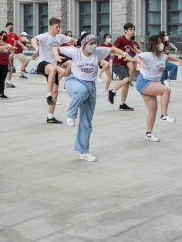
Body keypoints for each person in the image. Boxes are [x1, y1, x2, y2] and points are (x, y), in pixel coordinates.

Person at [55, 33, 131, 162]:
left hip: (91, 86)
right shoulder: (75, 51)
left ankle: (84, 151)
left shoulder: (98, 52)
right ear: (84, 44)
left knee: (87, 121)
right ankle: (71, 113)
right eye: (91, 43)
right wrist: (56, 55)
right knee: (81, 91)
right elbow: (56, 47)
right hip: (75, 82)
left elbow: (112, 49)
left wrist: (124, 54)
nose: (94, 45)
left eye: (95, 42)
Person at [130, 35, 182, 142]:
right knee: (166, 90)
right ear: (154, 44)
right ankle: (164, 116)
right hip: (144, 81)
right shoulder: (148, 55)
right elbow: (136, 57)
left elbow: (168, 57)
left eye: (162, 42)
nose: (162, 44)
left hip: (151, 83)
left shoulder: (161, 55)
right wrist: (141, 63)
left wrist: (179, 60)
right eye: (160, 42)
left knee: (152, 110)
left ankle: (148, 134)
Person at [30, 18, 77, 124]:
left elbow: (73, 40)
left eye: (59, 27)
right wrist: (37, 48)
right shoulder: (45, 36)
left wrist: (81, 44)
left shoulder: (60, 37)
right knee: (54, 69)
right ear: (51, 26)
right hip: (43, 64)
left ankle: (50, 117)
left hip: (52, 65)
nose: (58, 29)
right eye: (56, 27)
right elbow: (33, 39)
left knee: (56, 92)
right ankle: (48, 95)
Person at [108, 23, 141, 111]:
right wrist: (118, 54)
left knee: (127, 83)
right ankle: (112, 91)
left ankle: (122, 104)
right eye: (130, 29)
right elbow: (113, 49)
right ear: (125, 30)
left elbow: (133, 49)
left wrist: (143, 54)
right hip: (117, 63)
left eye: (133, 29)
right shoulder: (120, 39)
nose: (132, 31)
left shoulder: (130, 41)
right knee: (126, 79)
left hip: (124, 64)